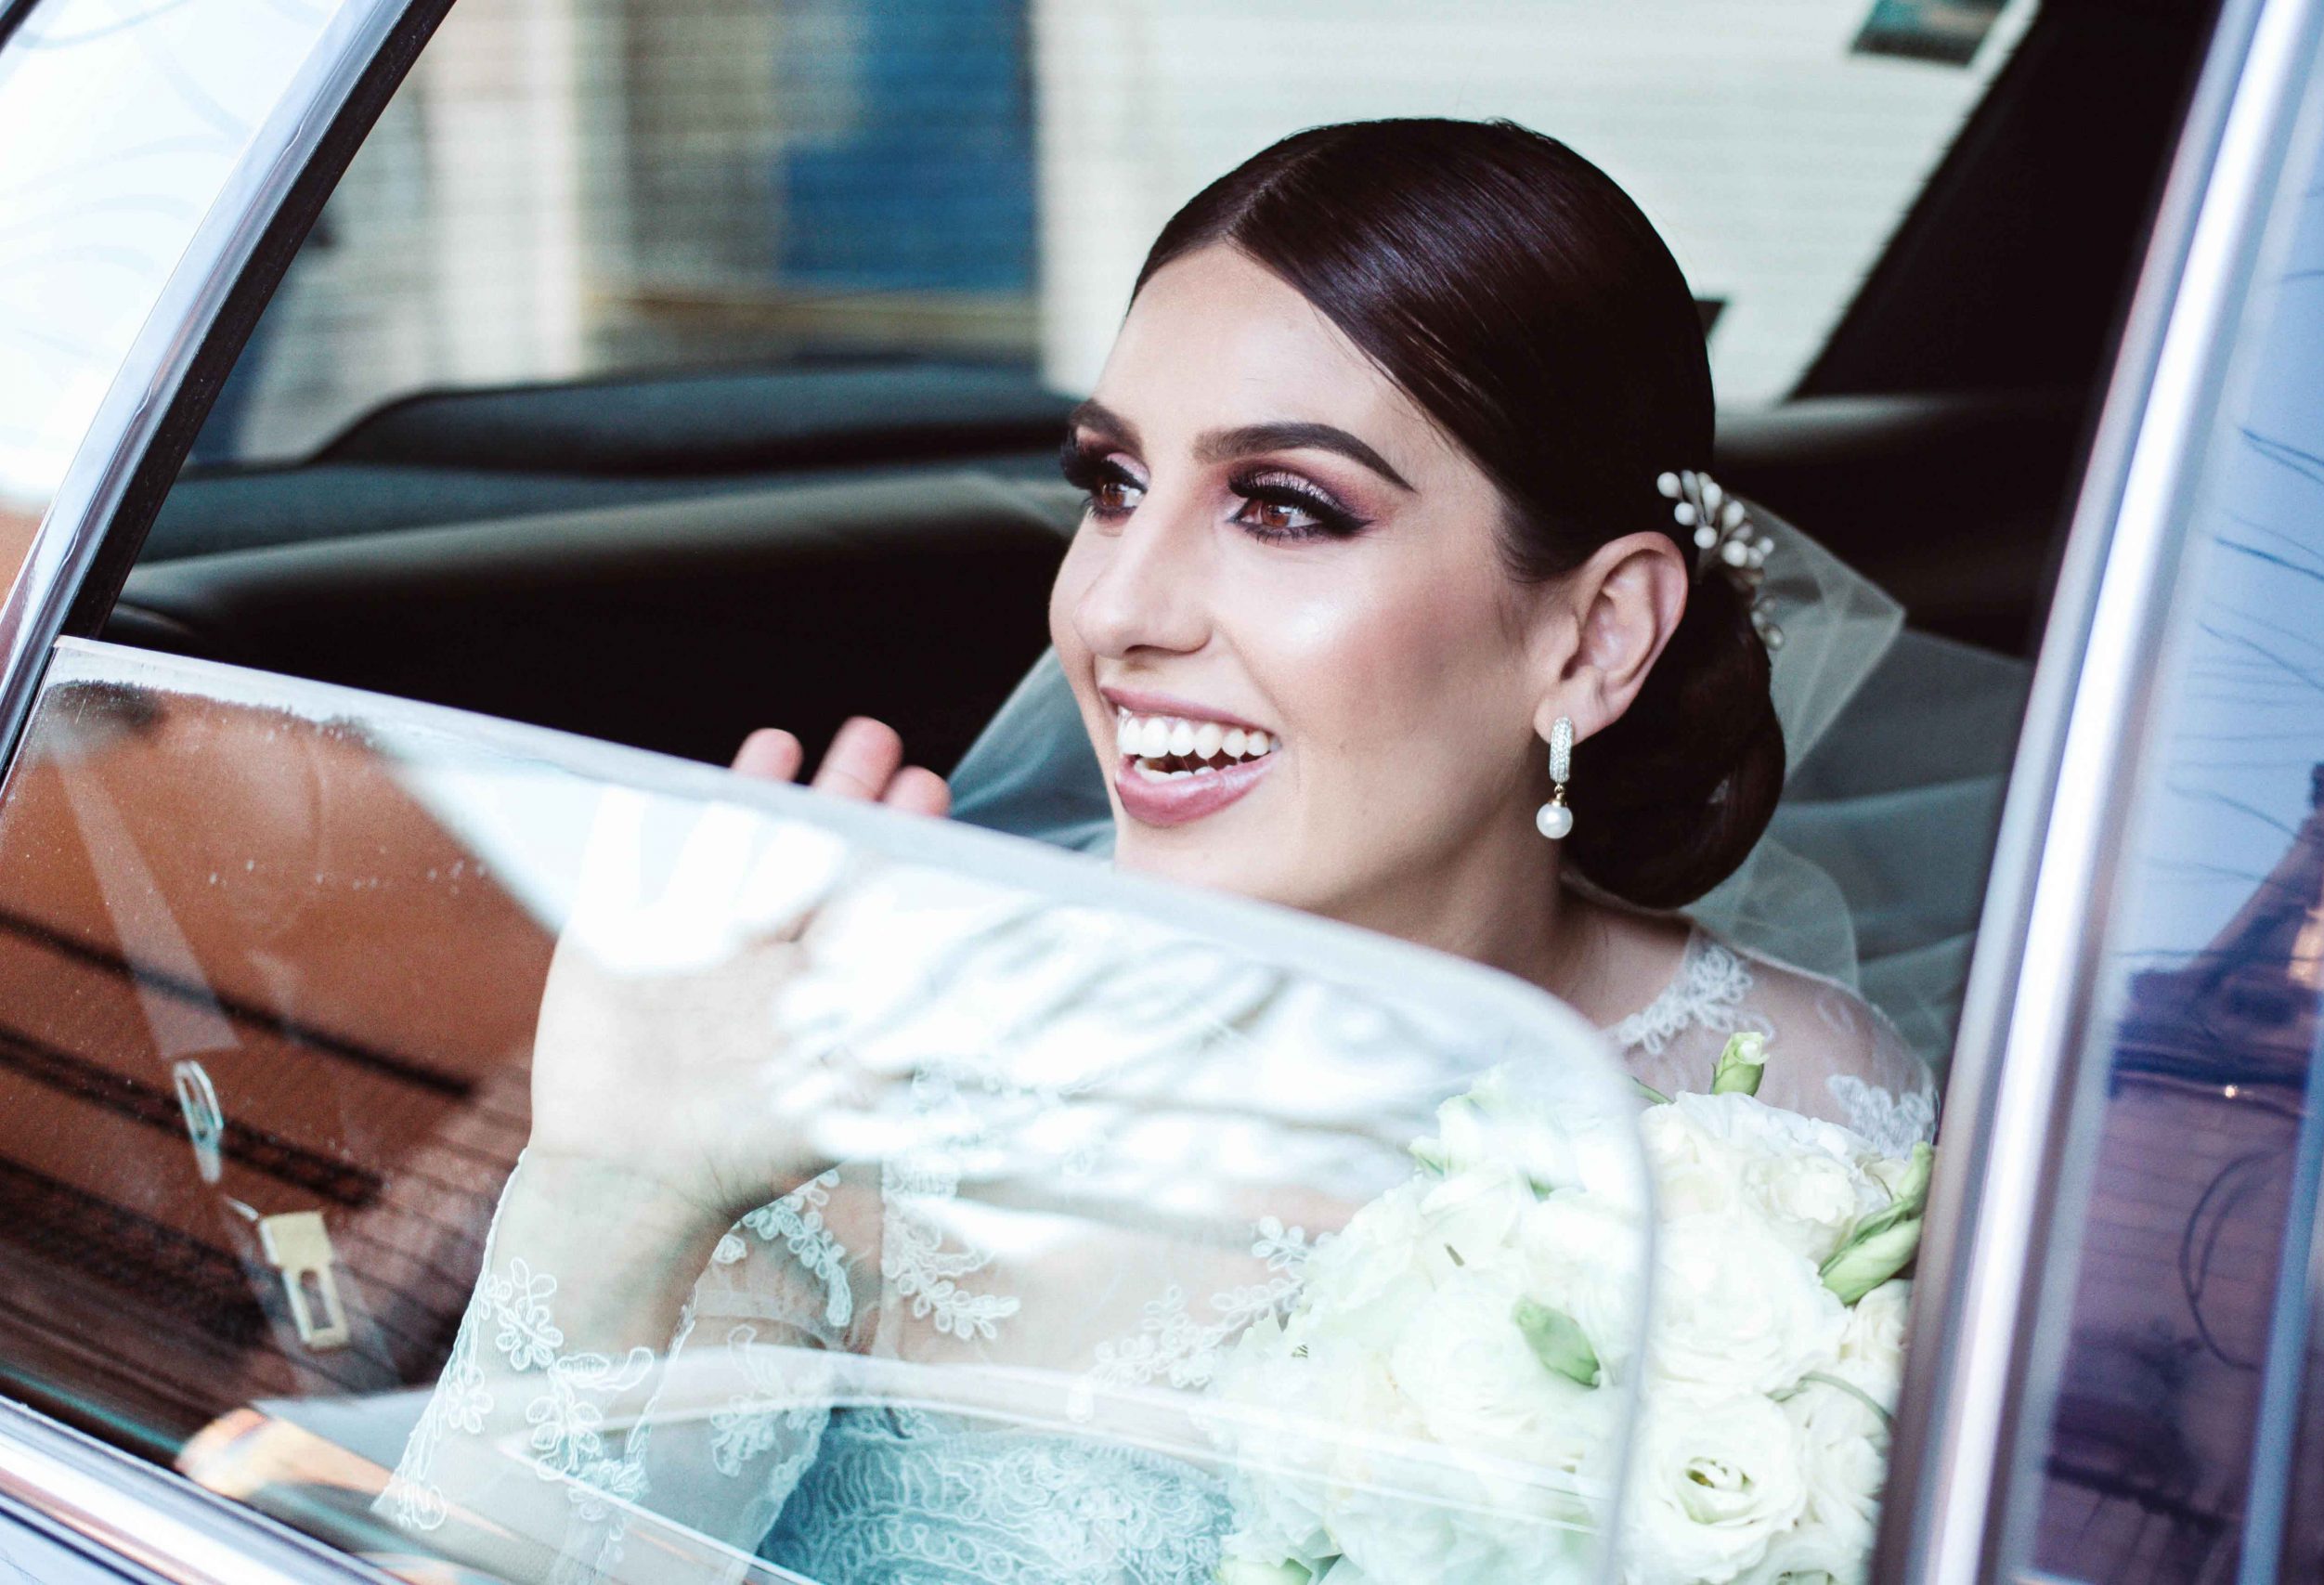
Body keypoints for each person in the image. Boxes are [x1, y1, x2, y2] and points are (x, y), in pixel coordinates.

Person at [381, 118, 1936, 1583]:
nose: (1115, 608)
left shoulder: (1805, 1121)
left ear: (1596, 636)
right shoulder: (872, 1070)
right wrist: (620, 1195)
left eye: (1285, 507)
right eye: (1113, 486)